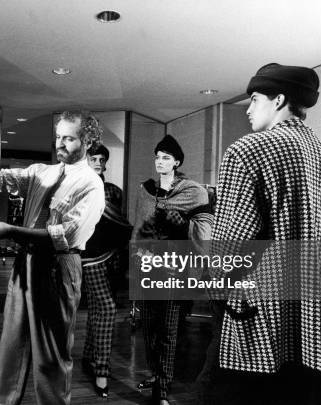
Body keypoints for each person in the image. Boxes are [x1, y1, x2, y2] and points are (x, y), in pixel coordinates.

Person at [201, 63, 321, 404]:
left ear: (279, 100)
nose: (248, 108)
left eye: (255, 99)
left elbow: (230, 252)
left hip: (253, 324)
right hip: (311, 327)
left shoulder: (247, 151)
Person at [0, 110, 105, 405]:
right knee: (10, 348)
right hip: (25, 263)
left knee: (51, 355)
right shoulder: (42, 172)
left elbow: (65, 235)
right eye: (58, 137)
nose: (61, 143)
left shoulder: (92, 185)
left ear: (87, 141)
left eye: (68, 138)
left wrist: (10, 231)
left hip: (58, 266)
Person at [131, 135, 213, 405]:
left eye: (166, 157)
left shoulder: (193, 191)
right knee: (149, 330)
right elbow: (138, 231)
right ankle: (156, 375)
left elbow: (205, 232)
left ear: (177, 162)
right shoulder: (145, 190)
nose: (160, 161)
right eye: (157, 157)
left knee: (168, 331)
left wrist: (182, 226)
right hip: (149, 268)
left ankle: (162, 390)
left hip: (176, 270)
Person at [81, 144, 131, 397]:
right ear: (86, 160)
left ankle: (89, 357)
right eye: (94, 158)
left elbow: (119, 225)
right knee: (107, 309)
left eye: (102, 159)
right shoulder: (79, 187)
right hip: (88, 259)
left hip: (112, 258)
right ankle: (101, 371)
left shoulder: (113, 191)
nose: (99, 162)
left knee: (98, 310)